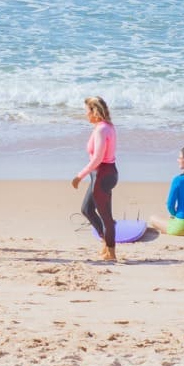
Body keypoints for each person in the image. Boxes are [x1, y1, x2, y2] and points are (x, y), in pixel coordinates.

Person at [70, 96, 119, 261]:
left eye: (87, 111)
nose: (86, 115)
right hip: (104, 173)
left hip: (102, 175)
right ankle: (106, 242)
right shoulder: (106, 127)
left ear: (95, 112)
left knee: (106, 217)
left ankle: (111, 253)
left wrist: (79, 176)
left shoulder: (101, 130)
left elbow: (97, 159)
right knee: (87, 209)